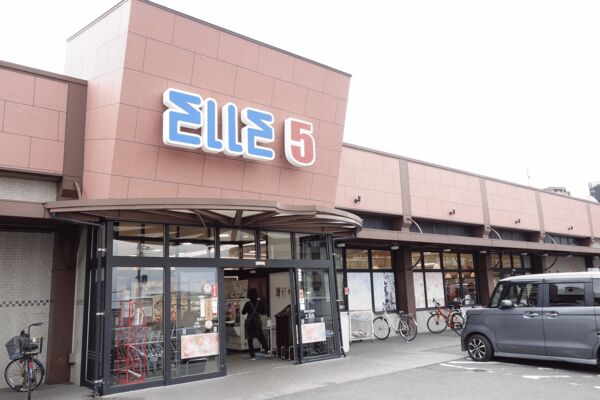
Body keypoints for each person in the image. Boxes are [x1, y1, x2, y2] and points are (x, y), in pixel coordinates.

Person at [242, 288, 269, 360]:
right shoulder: (260, 303)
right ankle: (267, 350)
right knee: (261, 336)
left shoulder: (247, 303)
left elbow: (243, 312)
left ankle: (252, 355)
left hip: (249, 323)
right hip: (257, 322)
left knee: (250, 339)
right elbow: (264, 312)